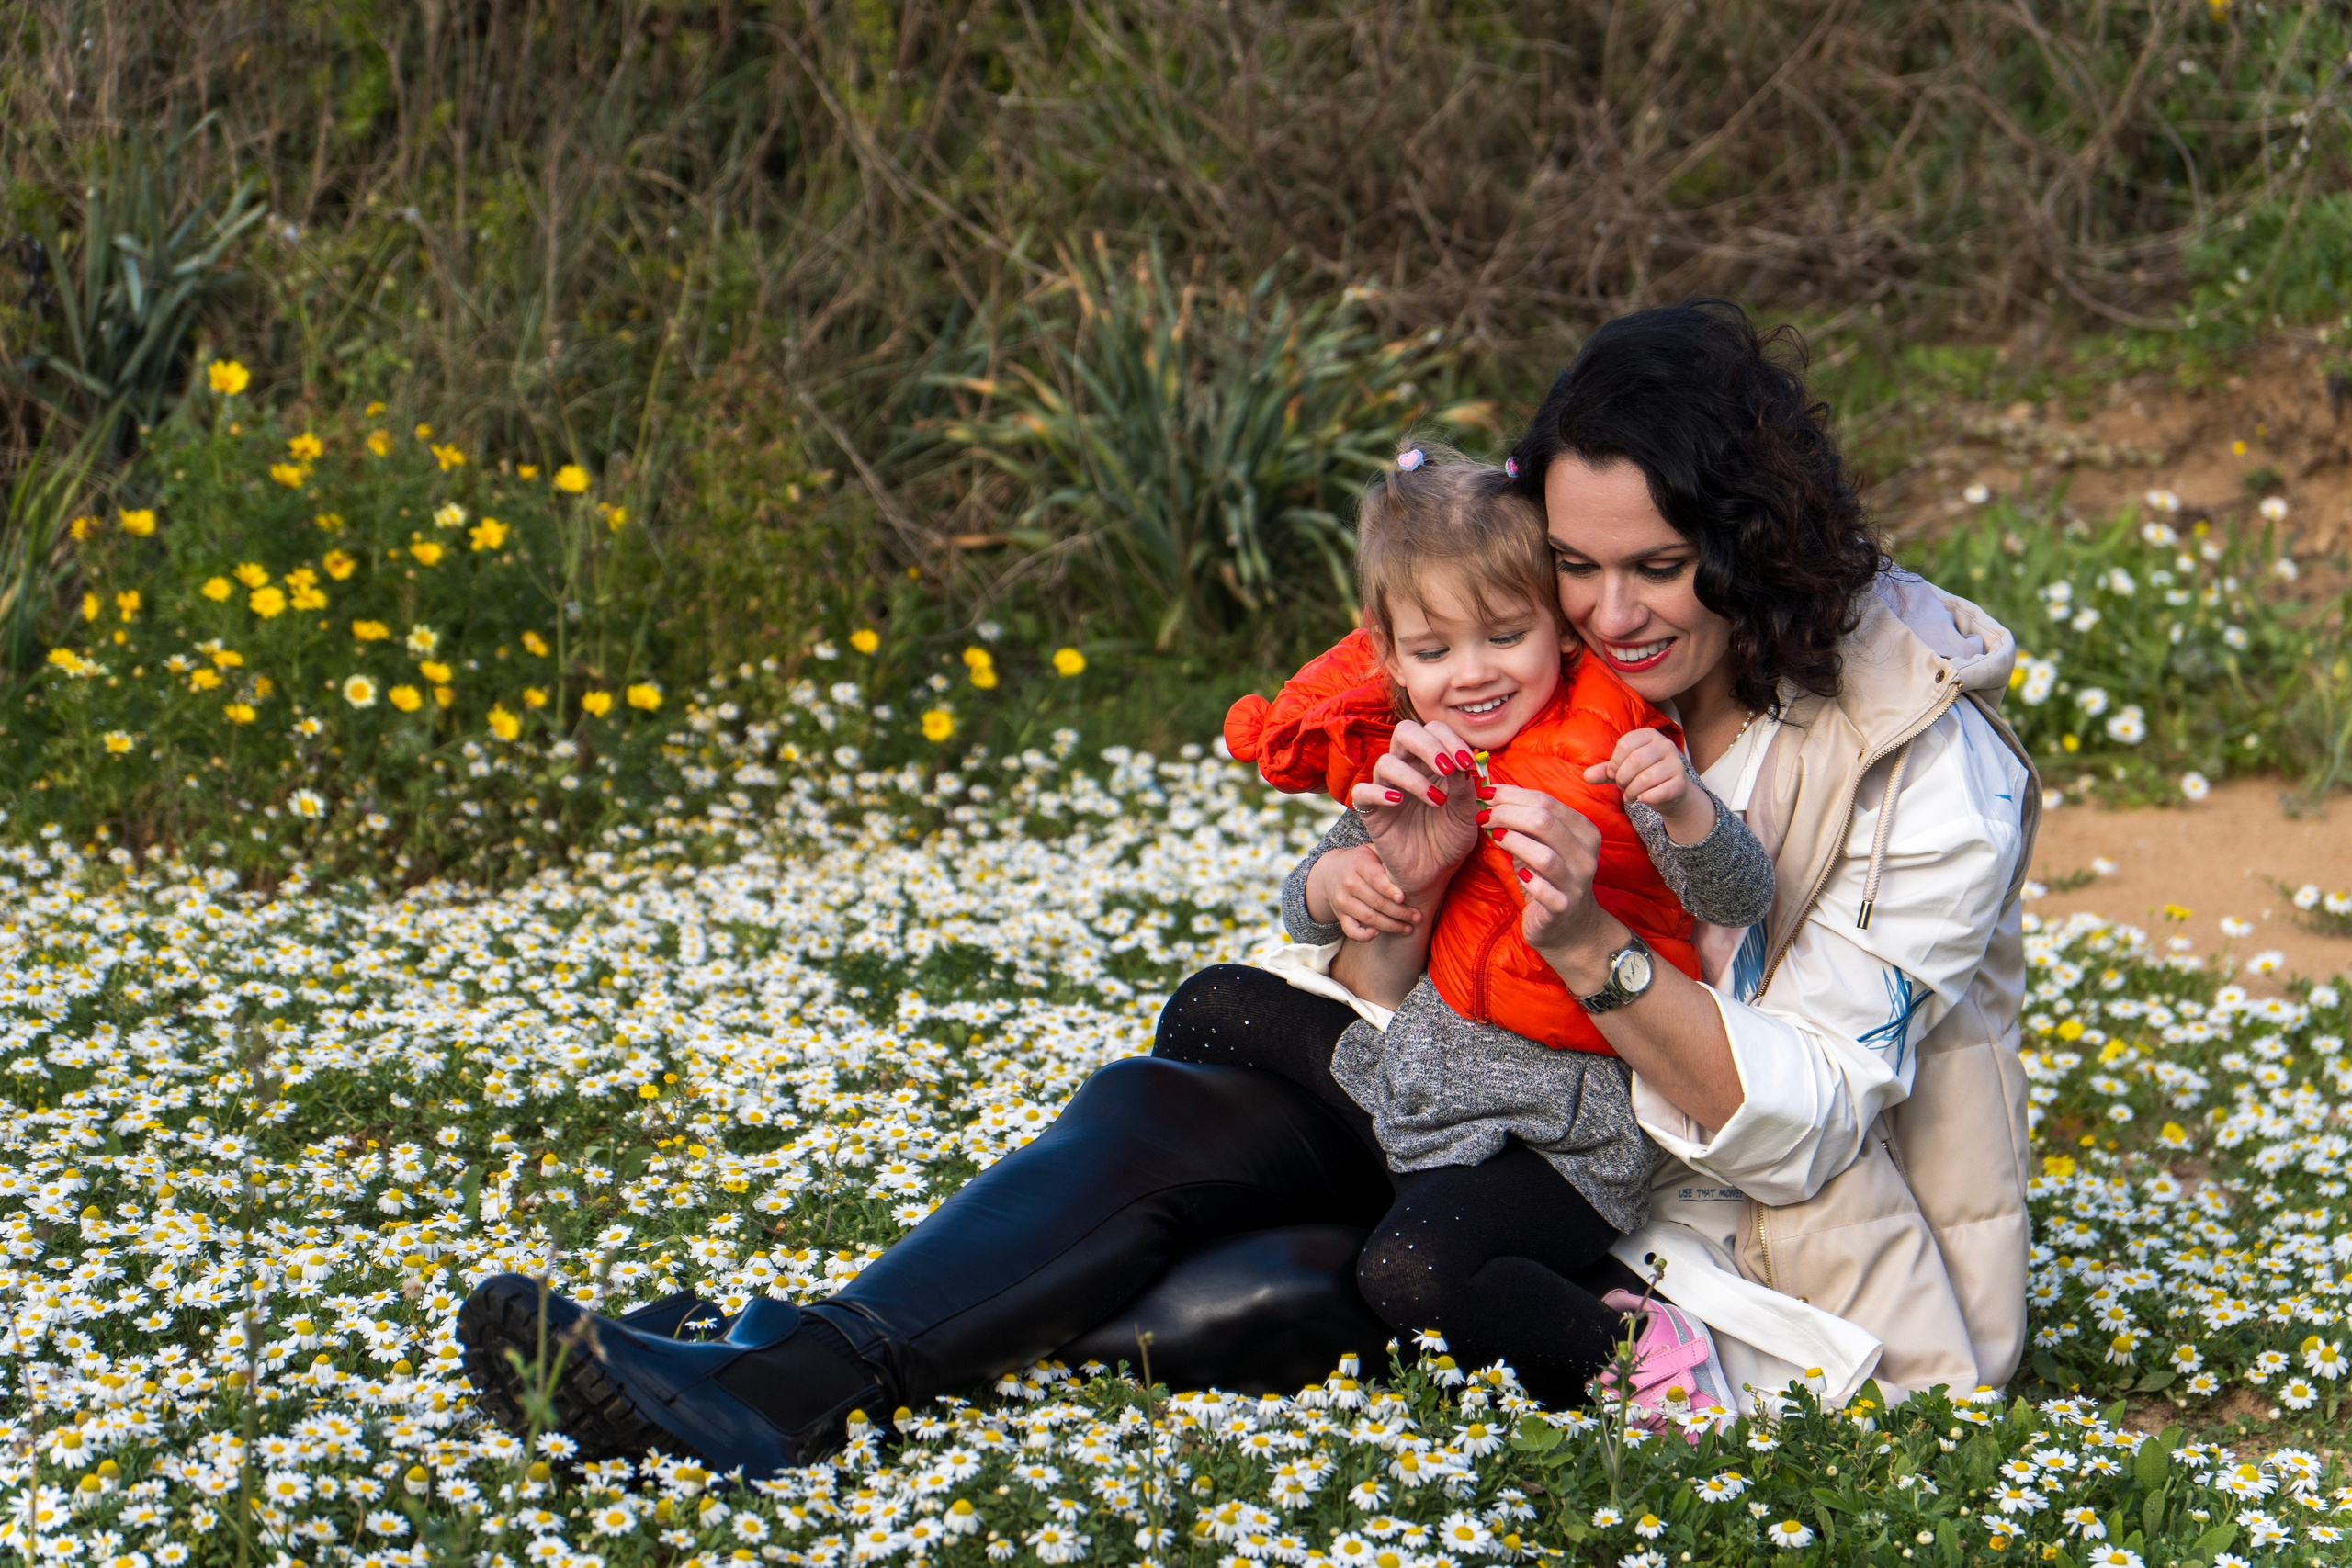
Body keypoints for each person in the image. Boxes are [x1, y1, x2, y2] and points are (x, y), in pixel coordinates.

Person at [458, 299, 2037, 1479]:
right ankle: (787, 1377)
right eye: (1573, 563)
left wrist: (1606, 953)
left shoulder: (1921, 756)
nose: (1608, 615)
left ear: (1753, 546)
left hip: (1707, 1240)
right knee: (1170, 1104)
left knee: (1258, 1297)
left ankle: (763, 1361)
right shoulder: (1531, 669)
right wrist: (1396, 909)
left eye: (1660, 568)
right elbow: (1429, 966)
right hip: (1468, 1125)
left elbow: (1813, 1118)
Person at [1221, 439, 1776, 1417]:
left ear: (1560, 632)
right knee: (1210, 1006)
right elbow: (1299, 897)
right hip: (1430, 1081)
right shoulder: (1429, 757)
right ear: (1388, 657)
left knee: (1408, 1274)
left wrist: (1685, 804)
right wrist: (1341, 882)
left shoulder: (1609, 747)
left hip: (1561, 1132)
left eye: (1504, 637)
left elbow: (1738, 897)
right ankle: (1343, 1207)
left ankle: (1631, 1338)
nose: (1471, 677)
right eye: (1433, 653)